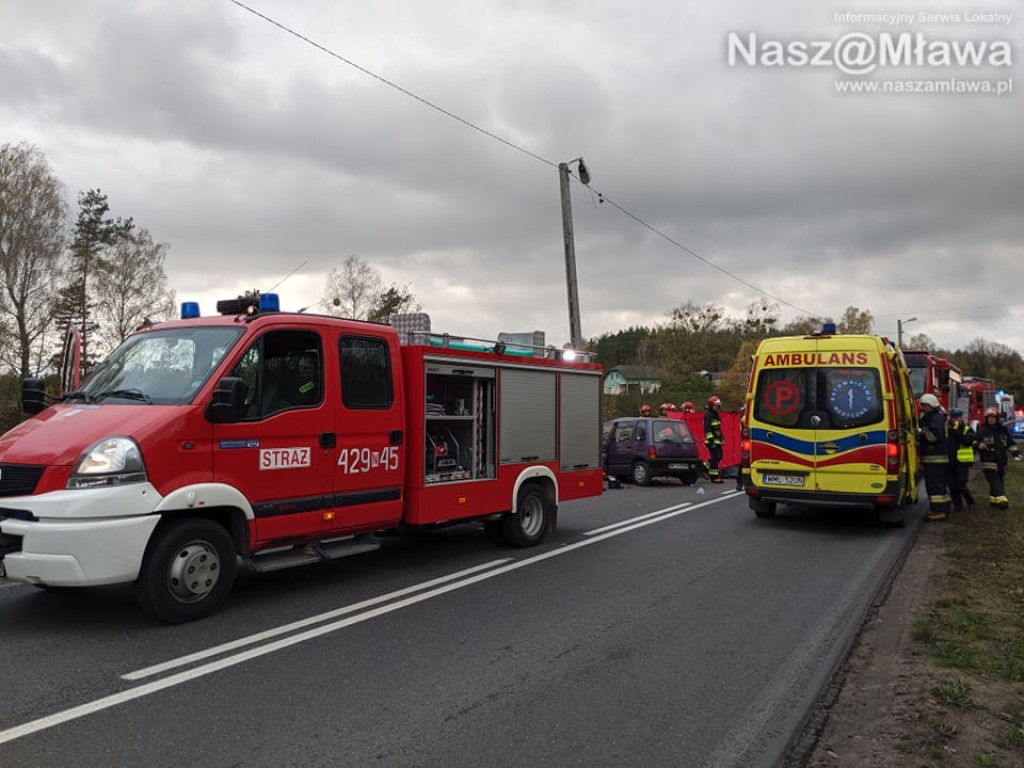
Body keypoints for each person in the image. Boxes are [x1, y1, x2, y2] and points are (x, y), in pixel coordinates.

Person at [975, 407, 1021, 509]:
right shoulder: (982, 430)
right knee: (994, 478)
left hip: (1001, 459)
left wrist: (1016, 453)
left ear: (997, 418)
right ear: (986, 419)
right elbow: (973, 441)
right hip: (988, 459)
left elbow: (1010, 443)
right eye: (989, 417)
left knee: (999, 478)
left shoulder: (1003, 430)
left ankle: (994, 499)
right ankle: (1002, 500)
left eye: (993, 417)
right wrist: (978, 445)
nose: (991, 419)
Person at [916, 393, 951, 521]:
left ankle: (939, 511)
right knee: (938, 486)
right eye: (923, 405)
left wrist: (919, 435)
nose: (923, 408)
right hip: (934, 459)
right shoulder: (931, 417)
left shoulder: (936, 418)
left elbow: (933, 436)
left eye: (925, 405)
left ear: (932, 405)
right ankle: (944, 508)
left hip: (935, 459)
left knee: (935, 487)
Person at [946, 409, 976, 513]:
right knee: (952, 485)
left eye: (957, 418)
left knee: (961, 483)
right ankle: (957, 505)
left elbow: (967, 441)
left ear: (961, 418)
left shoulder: (967, 429)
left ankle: (970, 501)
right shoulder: (947, 430)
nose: (955, 420)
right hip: (950, 461)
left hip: (963, 461)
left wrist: (957, 432)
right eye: (953, 418)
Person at [704, 395, 724, 483]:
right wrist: (711, 440)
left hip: (717, 440)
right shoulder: (708, 415)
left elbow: (718, 429)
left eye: (719, 406)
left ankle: (704, 467)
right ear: (712, 406)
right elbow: (707, 429)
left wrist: (721, 438)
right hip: (711, 441)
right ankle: (714, 477)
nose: (718, 407)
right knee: (715, 457)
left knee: (719, 456)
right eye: (716, 406)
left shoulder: (715, 415)